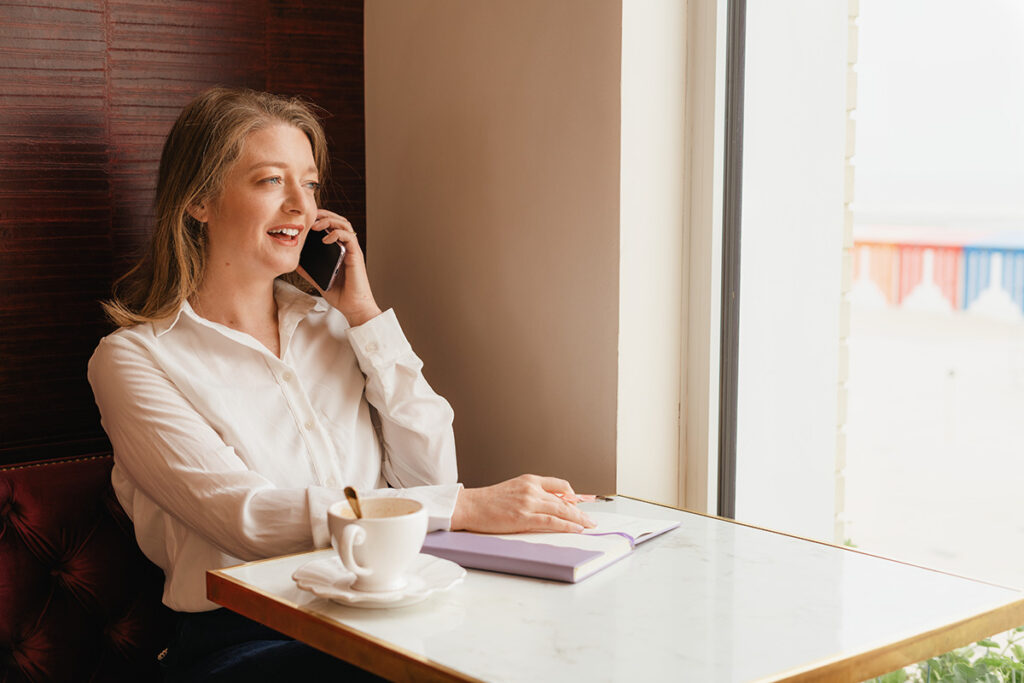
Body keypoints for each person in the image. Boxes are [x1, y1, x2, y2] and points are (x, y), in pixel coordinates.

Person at [87, 87, 595, 682]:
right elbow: (243, 519)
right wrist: (465, 508)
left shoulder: (335, 327)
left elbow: (431, 479)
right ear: (199, 200)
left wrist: (367, 319)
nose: (302, 208)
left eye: (311, 185)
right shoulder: (133, 361)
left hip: (393, 618)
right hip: (249, 639)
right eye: (271, 181)